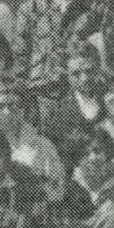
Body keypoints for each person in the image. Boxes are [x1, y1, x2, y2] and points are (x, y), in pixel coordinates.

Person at [14, 0, 108, 107]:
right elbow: (21, 54)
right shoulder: (29, 7)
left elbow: (107, 45)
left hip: (83, 87)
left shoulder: (91, 0)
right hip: (41, 92)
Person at [40, 41, 107, 176]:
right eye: (76, 73)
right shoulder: (56, 118)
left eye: (89, 71)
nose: (84, 78)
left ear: (98, 69)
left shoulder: (112, 100)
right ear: (68, 76)